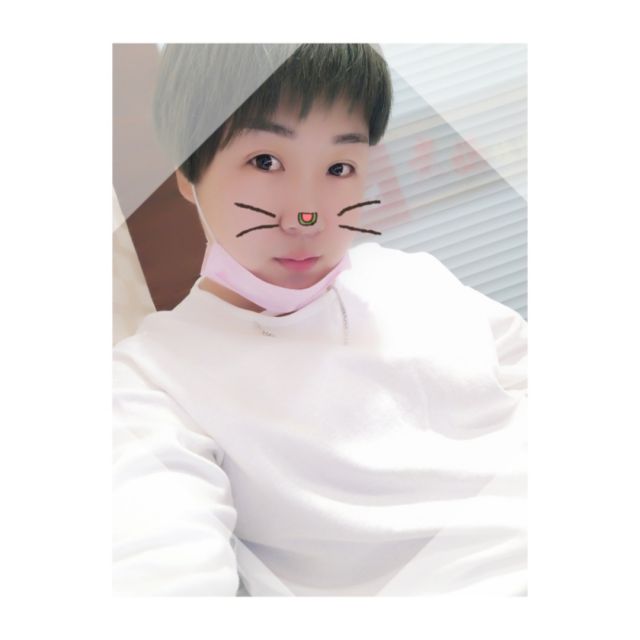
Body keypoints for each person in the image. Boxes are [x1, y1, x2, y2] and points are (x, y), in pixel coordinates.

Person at [113, 43, 528, 596]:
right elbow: (159, 571)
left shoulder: (417, 277)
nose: (305, 216)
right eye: (265, 161)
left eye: (339, 167)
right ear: (189, 173)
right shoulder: (149, 384)